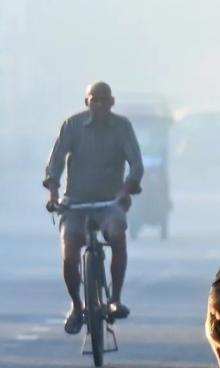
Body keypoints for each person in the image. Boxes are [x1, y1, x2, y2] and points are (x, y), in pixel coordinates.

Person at [44, 81, 144, 335]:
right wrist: (53, 194)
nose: (99, 105)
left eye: (104, 100)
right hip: (74, 204)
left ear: (112, 102)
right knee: (69, 253)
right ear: (86, 102)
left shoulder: (122, 127)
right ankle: (77, 305)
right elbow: (55, 163)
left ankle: (115, 298)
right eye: (94, 100)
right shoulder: (72, 125)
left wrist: (126, 190)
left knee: (117, 235)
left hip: (109, 203)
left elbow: (136, 164)